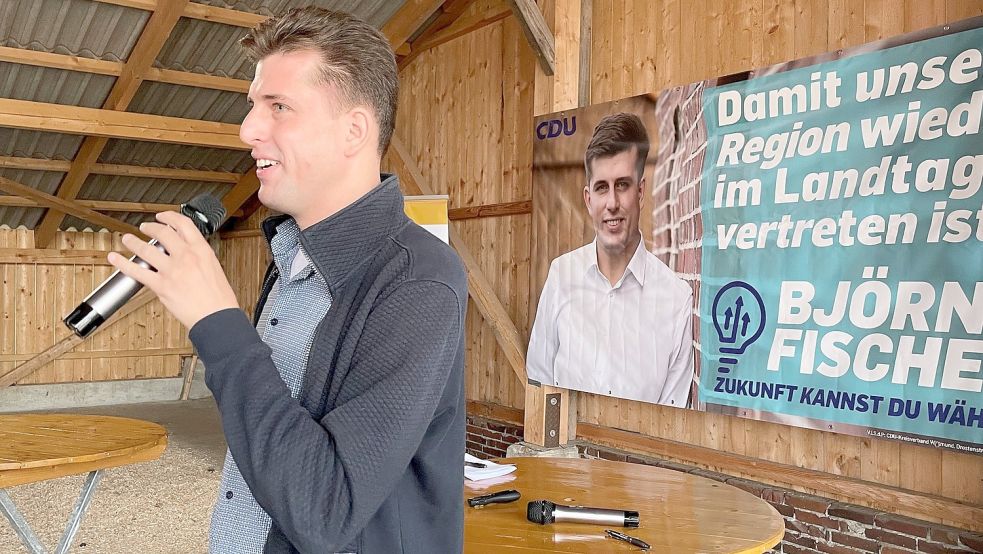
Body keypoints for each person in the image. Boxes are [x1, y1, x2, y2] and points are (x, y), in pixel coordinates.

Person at [108, 7, 467, 553]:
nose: (248, 130)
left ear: (353, 130)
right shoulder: (288, 254)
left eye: (279, 107)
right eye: (254, 106)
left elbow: (324, 511)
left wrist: (218, 324)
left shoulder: (418, 282)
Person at [526, 112, 693, 407]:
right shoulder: (561, 275)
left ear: (640, 192)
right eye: (602, 187)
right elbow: (539, 384)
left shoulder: (676, 298)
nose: (612, 204)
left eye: (623, 185)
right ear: (589, 199)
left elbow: (671, 417)